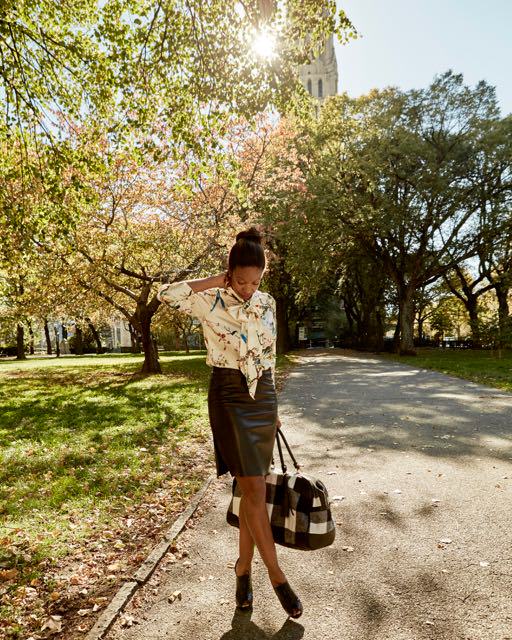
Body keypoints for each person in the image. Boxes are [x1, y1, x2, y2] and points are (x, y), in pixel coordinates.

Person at [157, 227, 303, 619]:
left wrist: (273, 410)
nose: (248, 288)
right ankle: (276, 576)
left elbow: (270, 355)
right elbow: (166, 294)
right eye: (240, 280)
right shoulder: (211, 299)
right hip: (227, 396)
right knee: (253, 488)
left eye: (255, 281)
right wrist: (213, 282)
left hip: (262, 396)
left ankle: (242, 570)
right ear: (228, 274)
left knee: (251, 491)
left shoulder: (267, 303)